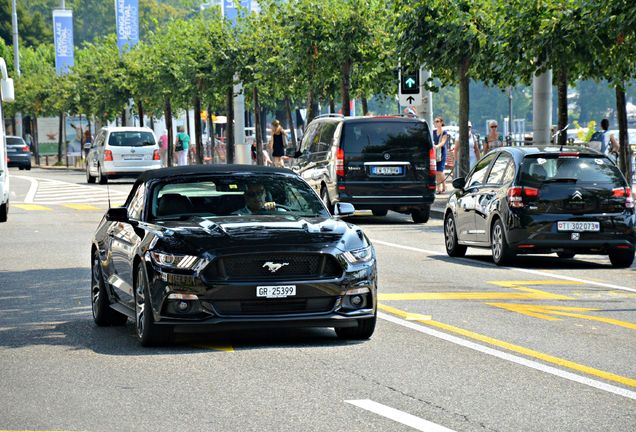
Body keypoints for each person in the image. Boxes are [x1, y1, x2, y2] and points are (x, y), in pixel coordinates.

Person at [433, 116, 450, 194]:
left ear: (441, 122)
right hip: (434, 152)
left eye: (438, 121)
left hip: (441, 152)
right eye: (435, 121)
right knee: (436, 171)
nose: (436, 123)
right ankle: (438, 188)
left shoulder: (444, 132)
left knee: (440, 170)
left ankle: (444, 185)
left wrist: (436, 146)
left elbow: (443, 142)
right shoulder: (433, 132)